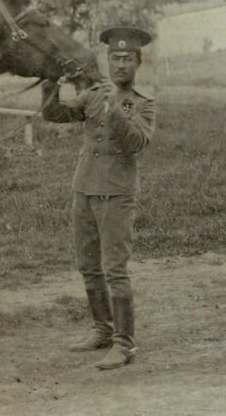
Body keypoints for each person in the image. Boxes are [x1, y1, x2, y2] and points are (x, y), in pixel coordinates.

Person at [40, 26, 156, 370]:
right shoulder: (92, 93)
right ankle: (102, 329)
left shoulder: (143, 102)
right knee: (88, 266)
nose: (120, 65)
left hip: (117, 194)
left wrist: (113, 108)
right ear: (107, 60)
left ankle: (124, 343)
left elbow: (137, 142)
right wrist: (51, 82)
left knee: (115, 270)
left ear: (138, 62)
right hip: (84, 190)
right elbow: (54, 114)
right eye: (114, 58)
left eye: (127, 59)